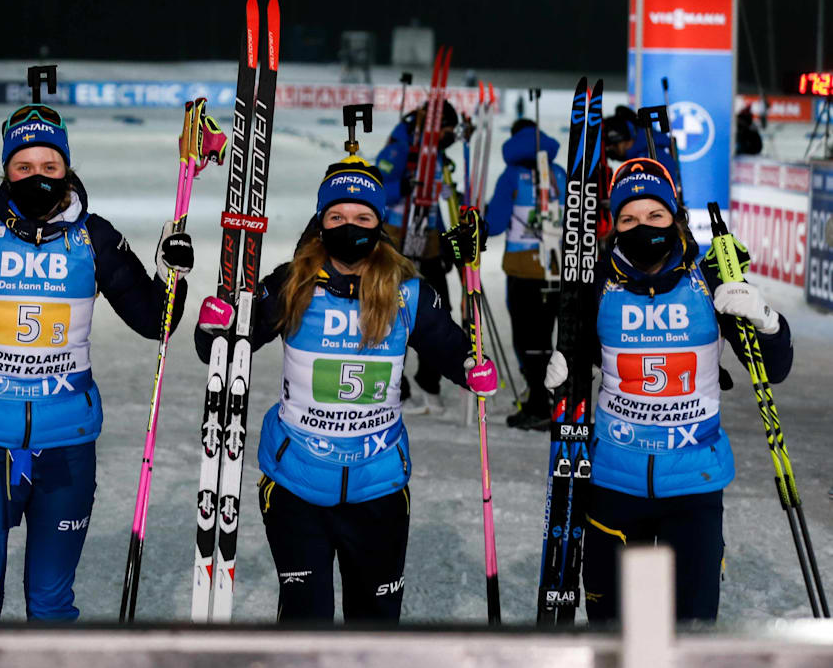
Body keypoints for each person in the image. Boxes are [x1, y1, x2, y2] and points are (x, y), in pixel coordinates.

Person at [0, 101, 192, 620]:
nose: (37, 176)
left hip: (66, 444)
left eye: (50, 165)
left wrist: (171, 276)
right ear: (6, 171)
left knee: (51, 603)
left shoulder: (95, 238)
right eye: (23, 166)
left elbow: (154, 322)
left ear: (67, 169)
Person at [194, 157, 498, 623]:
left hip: (378, 487)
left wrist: (473, 368)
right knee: (306, 622)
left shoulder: (406, 292)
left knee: (374, 626)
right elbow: (224, 351)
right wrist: (213, 325)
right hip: (297, 484)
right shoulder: (293, 283)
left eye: (362, 217)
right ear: (320, 222)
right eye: (336, 216)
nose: (348, 226)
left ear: (379, 224)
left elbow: (453, 349)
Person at [542, 158, 793, 623]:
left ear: (675, 217)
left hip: (693, 482)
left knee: (689, 630)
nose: (643, 227)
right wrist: (563, 370)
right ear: (614, 226)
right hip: (614, 479)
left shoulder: (710, 277)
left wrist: (767, 321)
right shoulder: (597, 281)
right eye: (628, 219)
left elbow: (774, 370)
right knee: (613, 630)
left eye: (655, 215)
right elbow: (579, 361)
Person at [374, 100, 463, 415]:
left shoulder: (436, 155)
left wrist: (445, 241)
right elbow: (377, 189)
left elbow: (436, 202)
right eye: (447, 130)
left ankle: (429, 381)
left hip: (428, 241)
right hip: (397, 240)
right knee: (393, 312)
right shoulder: (400, 147)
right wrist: (403, 185)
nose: (450, 136)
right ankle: (395, 386)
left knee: (437, 310)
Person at [484, 119, 568, 430]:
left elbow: (494, 225)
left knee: (527, 341)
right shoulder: (559, 173)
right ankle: (556, 400)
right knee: (550, 339)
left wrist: (479, 214)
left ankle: (538, 405)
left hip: (523, 270)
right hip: (559, 268)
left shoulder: (511, 175)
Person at [602, 106, 680, 184]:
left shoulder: (649, 159)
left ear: (627, 140)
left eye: (614, 145)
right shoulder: (643, 153)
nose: (610, 148)